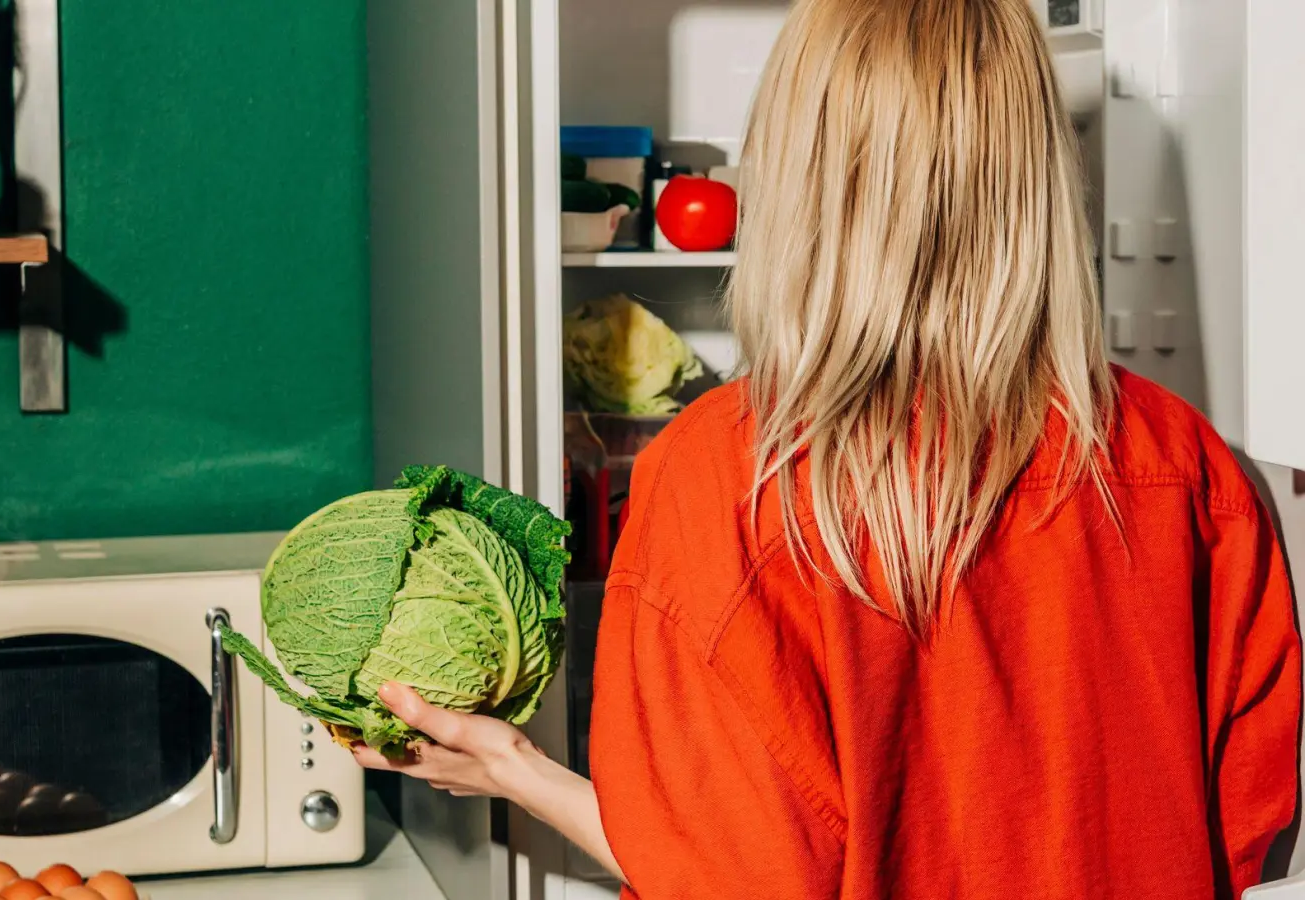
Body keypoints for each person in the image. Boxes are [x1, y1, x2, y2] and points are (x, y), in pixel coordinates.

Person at [354, 0, 1303, 895]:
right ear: (1041, 173)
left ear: (797, 175)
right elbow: (1247, 835)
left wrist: (522, 772)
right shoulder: (1190, 468)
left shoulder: (726, 481)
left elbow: (725, 875)